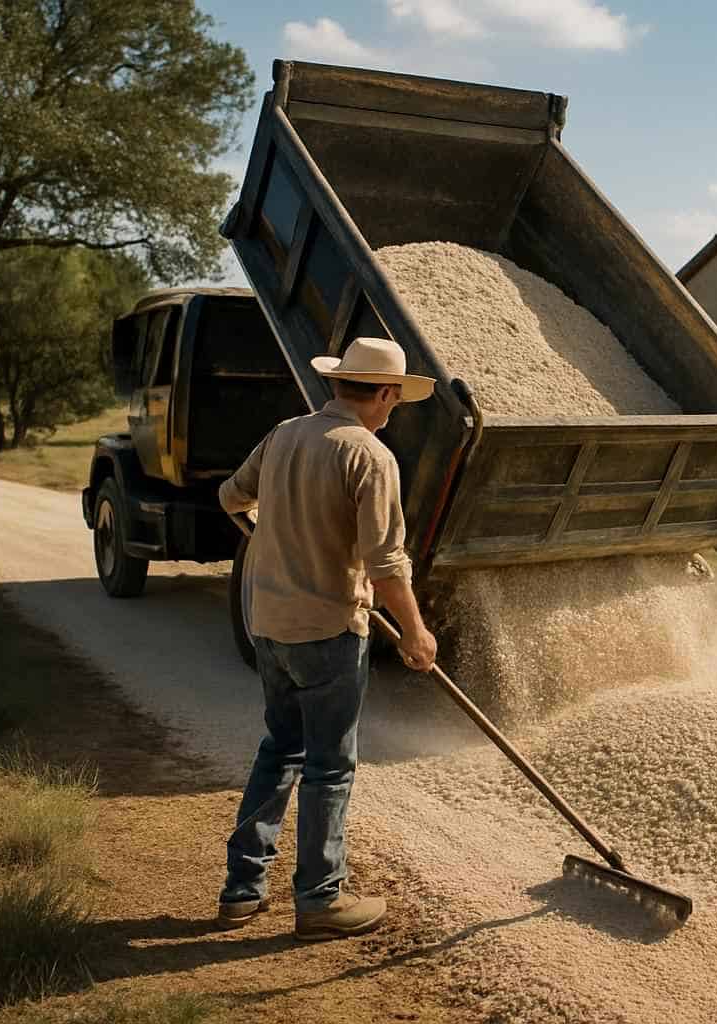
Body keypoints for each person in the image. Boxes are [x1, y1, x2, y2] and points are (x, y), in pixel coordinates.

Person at [215, 336, 439, 941]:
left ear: (340, 385)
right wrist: (415, 632)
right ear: (387, 394)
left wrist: (267, 538)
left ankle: (242, 890)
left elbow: (230, 496)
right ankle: (319, 901)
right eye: (397, 399)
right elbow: (387, 561)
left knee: (280, 749)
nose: (395, 408)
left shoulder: (285, 433)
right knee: (329, 767)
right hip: (328, 633)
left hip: (269, 627)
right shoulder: (370, 456)